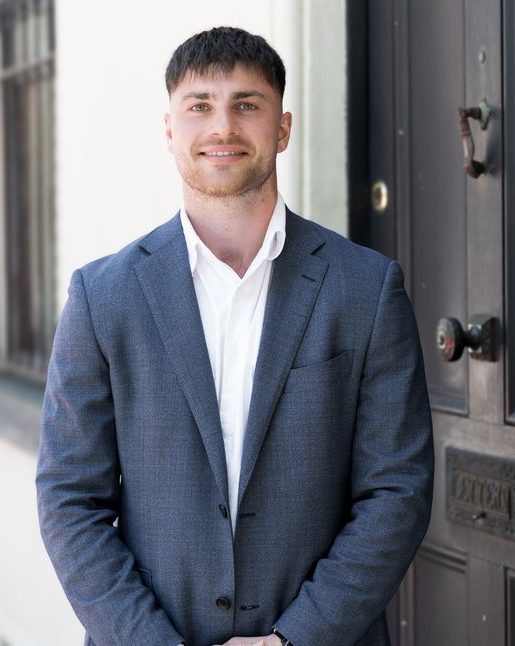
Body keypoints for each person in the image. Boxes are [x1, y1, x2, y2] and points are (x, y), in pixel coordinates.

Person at [36, 26, 433, 646]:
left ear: (283, 128)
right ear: (170, 130)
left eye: (246, 104)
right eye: (199, 106)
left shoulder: (367, 289)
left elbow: (397, 490)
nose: (222, 127)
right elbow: (69, 499)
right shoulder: (102, 298)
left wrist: (292, 640)